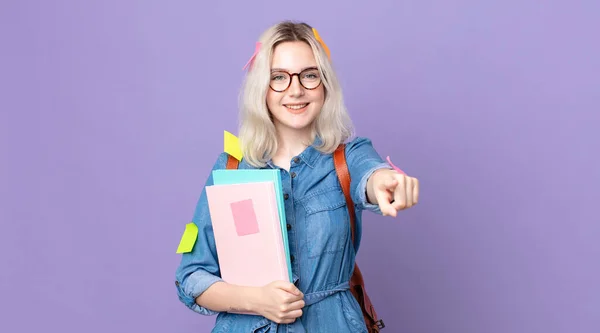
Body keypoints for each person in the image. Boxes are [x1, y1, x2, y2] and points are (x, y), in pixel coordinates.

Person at [175, 20, 419, 333]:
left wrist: (386, 183)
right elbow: (191, 276)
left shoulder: (349, 157)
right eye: (279, 77)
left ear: (325, 84)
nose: (296, 89)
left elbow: (371, 176)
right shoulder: (230, 168)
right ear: (261, 88)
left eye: (309, 75)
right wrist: (256, 300)